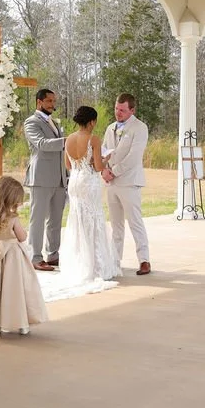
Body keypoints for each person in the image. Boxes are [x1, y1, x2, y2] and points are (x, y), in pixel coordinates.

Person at [0, 176, 49, 335]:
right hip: (11, 258)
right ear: (10, 198)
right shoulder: (13, 218)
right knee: (15, 289)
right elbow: (22, 237)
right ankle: (21, 323)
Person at [58, 106, 121, 286]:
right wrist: (106, 158)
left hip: (75, 181)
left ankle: (78, 263)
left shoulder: (69, 139)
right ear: (92, 121)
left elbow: (68, 165)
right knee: (93, 220)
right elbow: (99, 167)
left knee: (77, 219)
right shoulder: (93, 139)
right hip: (89, 182)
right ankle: (95, 266)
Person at [101, 93, 151, 275]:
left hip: (129, 182)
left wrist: (114, 171)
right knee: (116, 225)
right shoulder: (110, 128)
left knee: (135, 222)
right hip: (111, 183)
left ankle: (144, 259)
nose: (118, 113)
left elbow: (134, 156)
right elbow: (104, 151)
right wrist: (103, 170)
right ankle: (115, 260)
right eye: (116, 108)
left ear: (132, 110)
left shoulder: (140, 128)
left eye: (122, 110)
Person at [23, 89, 67, 272]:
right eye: (49, 101)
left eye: (53, 101)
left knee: (56, 220)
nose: (52, 104)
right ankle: (35, 257)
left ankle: (53, 254)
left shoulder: (54, 123)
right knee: (38, 219)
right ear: (39, 102)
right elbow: (41, 144)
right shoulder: (31, 122)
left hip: (59, 178)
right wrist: (68, 140)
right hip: (40, 178)